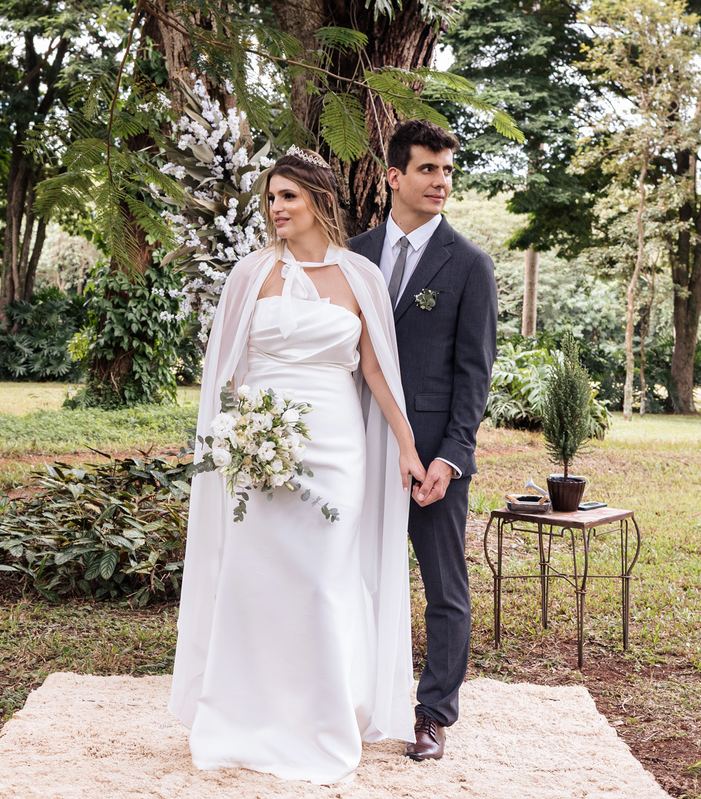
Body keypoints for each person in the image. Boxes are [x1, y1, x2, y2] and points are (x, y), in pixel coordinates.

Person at [168, 147, 427, 784]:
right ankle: (243, 720)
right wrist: (232, 437)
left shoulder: (360, 276)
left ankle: (323, 720)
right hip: (259, 441)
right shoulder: (251, 274)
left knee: (321, 580)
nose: (277, 208)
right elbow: (224, 372)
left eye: (289, 196)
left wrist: (407, 445)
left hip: (336, 446)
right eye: (272, 198)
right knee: (258, 582)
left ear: (318, 199)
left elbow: (376, 369)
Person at [348, 120, 498, 761]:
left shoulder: (469, 265)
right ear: (393, 176)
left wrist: (451, 456)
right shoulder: (352, 255)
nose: (441, 181)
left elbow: (475, 372)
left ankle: (433, 715)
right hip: (350, 445)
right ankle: (346, 698)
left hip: (430, 455)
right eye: (428, 169)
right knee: (346, 576)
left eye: (446, 170)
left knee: (445, 587)